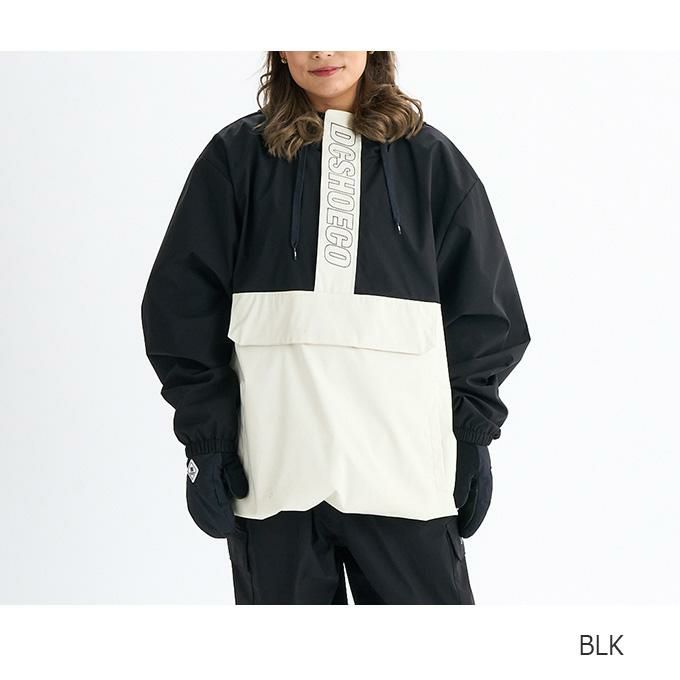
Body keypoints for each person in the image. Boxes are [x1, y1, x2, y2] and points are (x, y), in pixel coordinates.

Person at [141, 51, 531, 605]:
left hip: (405, 475)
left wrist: (473, 433)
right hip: (274, 474)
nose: (322, 49)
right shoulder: (236, 159)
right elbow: (181, 309)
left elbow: (485, 313)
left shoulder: (430, 162)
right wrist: (207, 442)